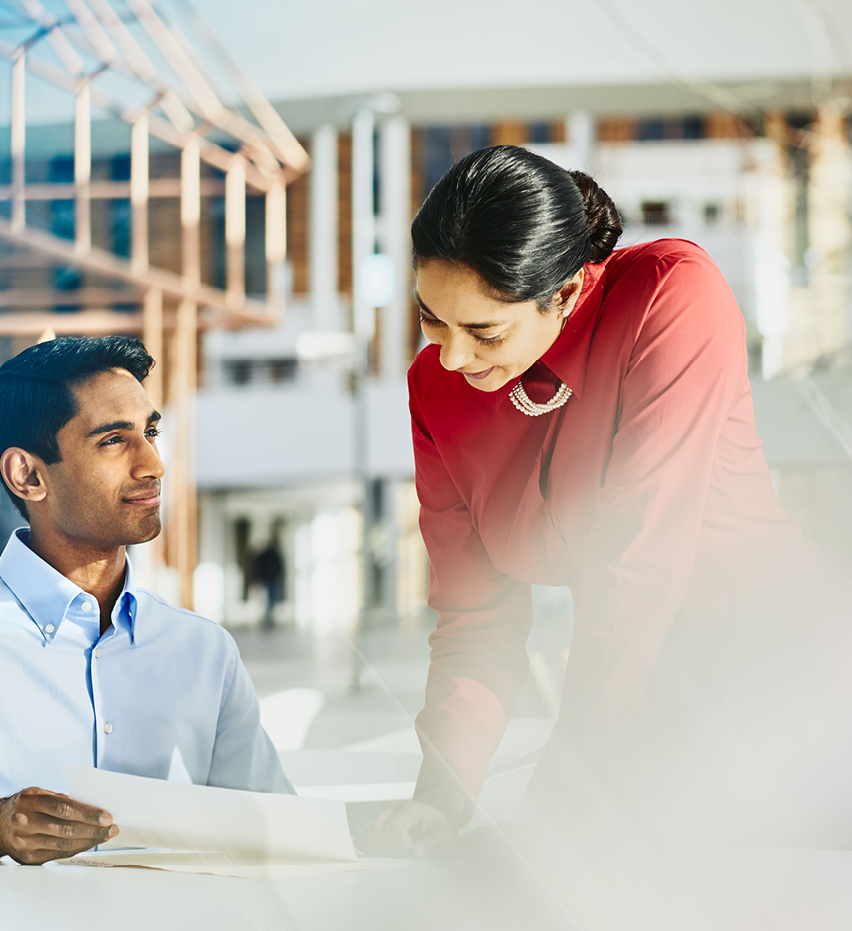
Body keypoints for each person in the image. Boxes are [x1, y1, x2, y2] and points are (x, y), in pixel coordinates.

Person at [360, 145, 850, 858]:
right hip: (653, 702)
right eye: (432, 320)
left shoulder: (668, 295)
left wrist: (577, 779)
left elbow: (637, 562)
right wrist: (443, 793)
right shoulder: (436, 389)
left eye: (485, 331)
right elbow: (475, 619)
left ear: (564, 292)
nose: (454, 357)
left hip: (792, 686)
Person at [0, 336, 292, 882]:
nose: (154, 464)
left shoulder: (205, 651)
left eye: (151, 432)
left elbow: (278, 834)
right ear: (28, 475)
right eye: (115, 440)